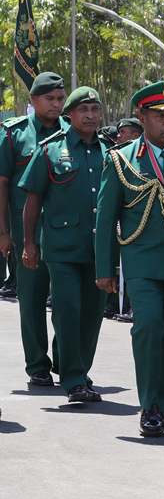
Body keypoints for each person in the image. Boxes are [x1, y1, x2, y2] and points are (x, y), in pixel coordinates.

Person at [95, 81, 164, 437]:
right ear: (142, 118)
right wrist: (106, 269)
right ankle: (149, 405)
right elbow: (106, 217)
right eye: (161, 116)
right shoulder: (122, 159)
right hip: (142, 259)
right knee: (149, 326)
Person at [20, 87, 111, 404]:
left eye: (95, 109)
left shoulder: (111, 152)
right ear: (69, 114)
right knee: (67, 310)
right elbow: (33, 201)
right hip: (61, 249)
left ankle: (78, 369)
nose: (90, 115)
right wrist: (29, 243)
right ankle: (74, 380)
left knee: (92, 315)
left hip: (99, 249)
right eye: (83, 110)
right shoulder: (50, 150)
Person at [0, 72, 65, 387]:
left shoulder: (72, 132)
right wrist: (3, 231)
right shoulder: (14, 135)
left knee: (67, 300)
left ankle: (66, 360)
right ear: (33, 100)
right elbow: (1, 185)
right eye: (49, 99)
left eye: (60, 99)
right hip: (27, 234)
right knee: (31, 300)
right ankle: (37, 364)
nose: (56, 104)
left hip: (65, 233)